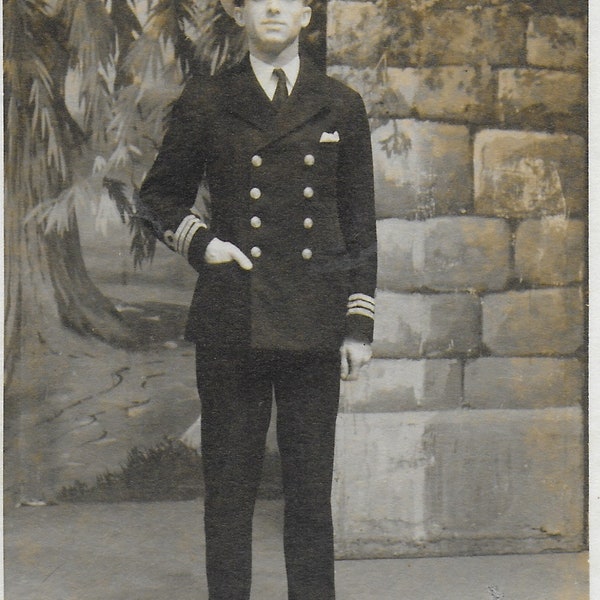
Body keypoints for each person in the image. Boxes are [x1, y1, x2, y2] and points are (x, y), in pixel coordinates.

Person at [139, 0, 376, 596]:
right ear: (240, 14)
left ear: (305, 16)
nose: (273, 6)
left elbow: (359, 224)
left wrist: (358, 324)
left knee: (309, 497)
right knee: (228, 496)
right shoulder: (208, 98)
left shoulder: (342, 104)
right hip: (231, 318)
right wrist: (204, 246)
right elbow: (159, 198)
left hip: (314, 322)